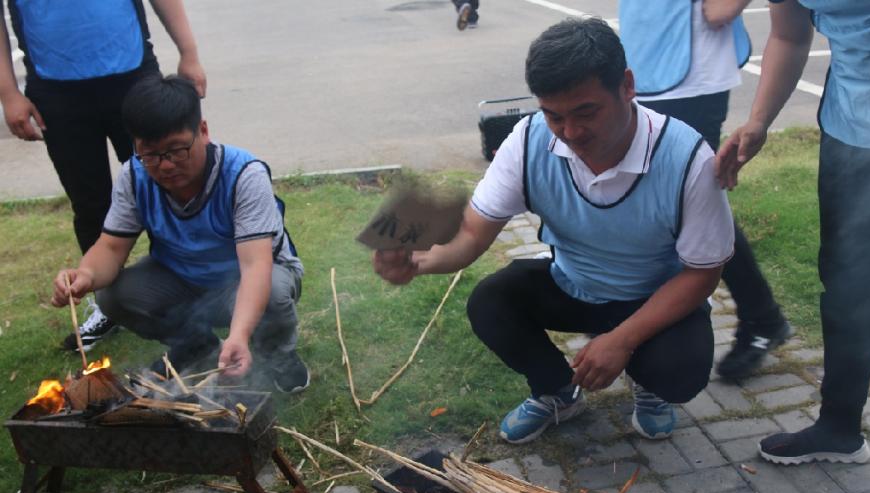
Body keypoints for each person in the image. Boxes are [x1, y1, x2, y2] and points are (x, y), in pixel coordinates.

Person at [374, 18, 734, 444]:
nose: (571, 133)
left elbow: (702, 274)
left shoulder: (687, 158)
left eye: (586, 112)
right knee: (490, 302)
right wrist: (419, 261)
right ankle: (558, 392)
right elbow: (472, 233)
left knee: (680, 373)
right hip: (574, 286)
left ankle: (649, 385)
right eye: (553, 116)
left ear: (627, 86)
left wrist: (620, 341)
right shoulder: (527, 142)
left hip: (653, 295)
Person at [716, 0, 870, 493]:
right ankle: (839, 427)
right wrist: (758, 122)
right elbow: (791, 36)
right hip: (850, 134)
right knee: (846, 290)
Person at [50, 75, 310, 393]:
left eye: (176, 150)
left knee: (271, 289)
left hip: (243, 279)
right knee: (112, 295)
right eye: (151, 154)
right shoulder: (134, 175)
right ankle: (195, 344)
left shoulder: (244, 175)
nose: (166, 165)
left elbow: (256, 265)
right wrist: (85, 275)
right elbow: (112, 247)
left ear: (203, 131)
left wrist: (239, 335)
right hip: (181, 279)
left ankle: (277, 356)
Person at [0, 0, 206, 353]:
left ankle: (201, 287)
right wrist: (8, 93)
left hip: (131, 73)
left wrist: (189, 52)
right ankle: (108, 302)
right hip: (56, 89)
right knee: (90, 201)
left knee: (170, 183)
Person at [619, 0, 791, 383]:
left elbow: (719, 11)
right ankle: (756, 317)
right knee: (672, 207)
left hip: (688, 82)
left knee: (693, 208)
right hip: (649, 70)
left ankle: (761, 318)